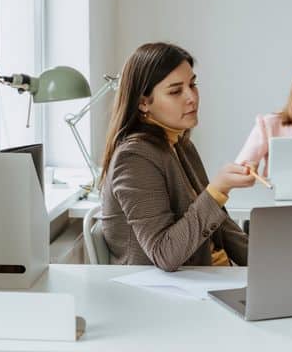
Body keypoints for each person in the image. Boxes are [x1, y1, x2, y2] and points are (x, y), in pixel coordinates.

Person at [99, 42, 254, 272]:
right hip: (166, 293)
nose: (191, 97)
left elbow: (219, 225)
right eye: (175, 91)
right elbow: (165, 254)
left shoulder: (180, 144)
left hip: (211, 277)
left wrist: (269, 261)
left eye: (193, 84)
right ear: (143, 102)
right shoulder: (133, 158)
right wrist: (217, 190)